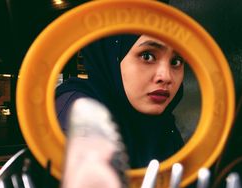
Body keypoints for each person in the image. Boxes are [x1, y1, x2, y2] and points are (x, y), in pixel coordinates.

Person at [55, 34, 185, 169]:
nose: (166, 76)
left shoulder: (163, 124)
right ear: (111, 58)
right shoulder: (78, 111)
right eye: (147, 56)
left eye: (176, 61)